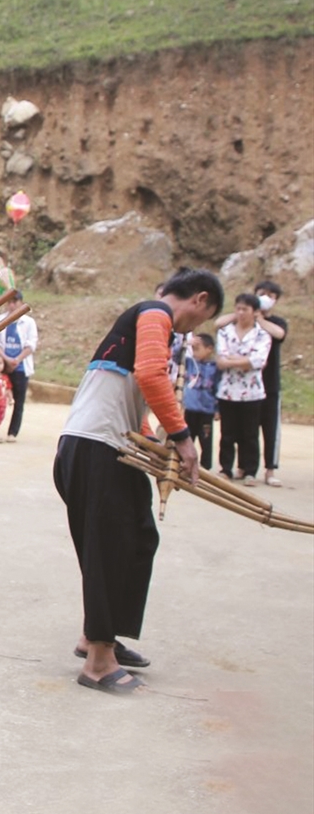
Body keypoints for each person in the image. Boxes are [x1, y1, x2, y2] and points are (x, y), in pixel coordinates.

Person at [54, 268, 221, 695]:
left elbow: (132, 391)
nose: (194, 328)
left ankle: (98, 636)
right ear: (199, 299)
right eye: (201, 319)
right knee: (110, 548)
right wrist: (184, 441)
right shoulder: (155, 313)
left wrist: (154, 443)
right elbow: (150, 375)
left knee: (138, 539)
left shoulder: (150, 323)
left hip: (109, 449)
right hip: (96, 448)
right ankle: (97, 662)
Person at [214, 280, 287, 486]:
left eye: (245, 309)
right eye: (238, 308)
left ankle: (256, 470)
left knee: (253, 432)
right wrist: (240, 361)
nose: (240, 313)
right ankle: (227, 468)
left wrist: (233, 361)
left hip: (258, 388)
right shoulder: (227, 330)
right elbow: (221, 358)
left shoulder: (268, 329)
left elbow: (257, 361)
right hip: (228, 390)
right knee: (228, 432)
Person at [0, 292, 37, 441]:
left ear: (21, 303)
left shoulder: (28, 322)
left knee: (18, 401)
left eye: (15, 302)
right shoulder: (0, 320)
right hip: (1, 365)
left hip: (21, 366)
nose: (12, 305)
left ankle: (12, 433)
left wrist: (16, 359)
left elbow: (31, 344)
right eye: (9, 302)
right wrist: (6, 359)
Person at [181, 332, 218, 470]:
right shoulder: (189, 364)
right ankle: (184, 461)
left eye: (198, 349)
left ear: (209, 349)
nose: (195, 352)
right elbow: (175, 355)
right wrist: (187, 344)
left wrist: (217, 409)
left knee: (206, 439)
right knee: (187, 437)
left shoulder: (215, 367)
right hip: (190, 409)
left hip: (206, 410)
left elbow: (217, 387)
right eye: (193, 349)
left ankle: (205, 467)